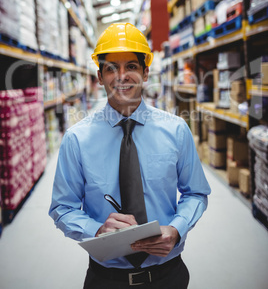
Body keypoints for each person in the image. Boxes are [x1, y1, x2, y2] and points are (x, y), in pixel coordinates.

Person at [49, 22, 211, 289]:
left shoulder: (176, 130)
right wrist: (96, 230)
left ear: (146, 73)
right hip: (106, 278)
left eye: (131, 66)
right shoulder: (77, 140)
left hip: (167, 274)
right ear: (99, 77)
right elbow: (62, 208)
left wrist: (177, 229)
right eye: (111, 67)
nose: (121, 76)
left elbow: (196, 193)